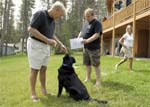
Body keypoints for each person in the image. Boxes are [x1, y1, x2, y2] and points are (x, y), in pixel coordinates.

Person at [27, 1, 68, 102]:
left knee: (43, 69)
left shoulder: (52, 21)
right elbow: (31, 29)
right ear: (56, 10)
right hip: (35, 44)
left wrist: (60, 44)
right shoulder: (41, 14)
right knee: (35, 69)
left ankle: (44, 90)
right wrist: (47, 40)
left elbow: (52, 34)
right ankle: (33, 94)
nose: (60, 17)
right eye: (60, 15)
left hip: (45, 46)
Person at [78, 8, 102, 86]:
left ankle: (98, 81)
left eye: (88, 16)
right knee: (87, 64)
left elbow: (97, 34)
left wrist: (87, 40)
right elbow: (81, 32)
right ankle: (87, 78)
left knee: (96, 64)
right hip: (86, 48)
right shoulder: (86, 23)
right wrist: (78, 38)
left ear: (93, 15)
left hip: (94, 48)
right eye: (86, 16)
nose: (87, 18)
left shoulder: (97, 23)